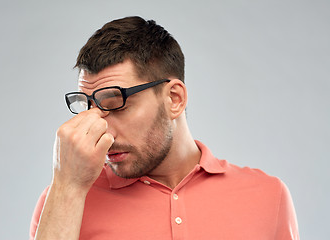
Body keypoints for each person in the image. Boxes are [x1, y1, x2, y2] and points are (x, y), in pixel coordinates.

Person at [30, 16, 299, 240]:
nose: (102, 132)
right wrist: (67, 188)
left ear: (174, 99)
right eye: (89, 108)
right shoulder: (64, 200)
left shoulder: (268, 196)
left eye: (117, 105)